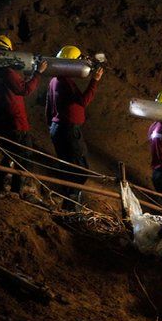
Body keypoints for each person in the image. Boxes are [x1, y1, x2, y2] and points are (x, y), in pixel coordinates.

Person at [0, 35, 47, 193]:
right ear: (8, 52)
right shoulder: (7, 72)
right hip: (16, 122)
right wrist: (38, 73)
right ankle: (16, 192)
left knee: (10, 154)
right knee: (24, 158)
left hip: (0, 122)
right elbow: (24, 90)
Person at [45, 45, 103, 210]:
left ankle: (67, 205)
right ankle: (71, 207)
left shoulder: (54, 80)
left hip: (58, 128)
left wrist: (52, 127)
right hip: (69, 130)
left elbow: (48, 108)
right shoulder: (65, 82)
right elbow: (83, 102)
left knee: (67, 168)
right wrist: (95, 81)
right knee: (80, 170)